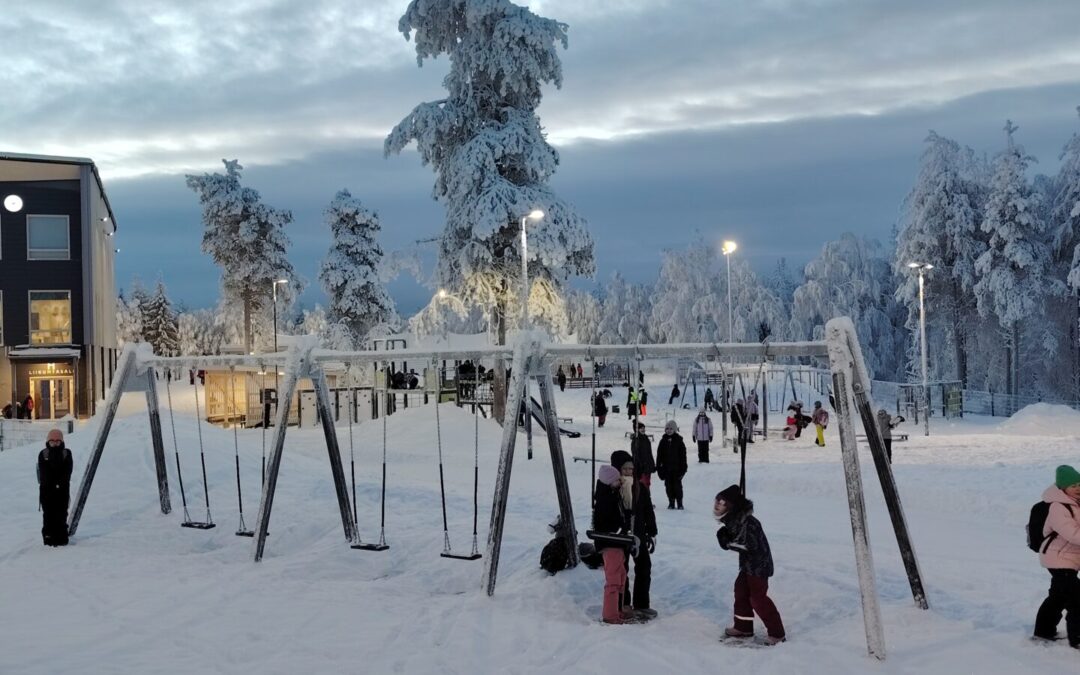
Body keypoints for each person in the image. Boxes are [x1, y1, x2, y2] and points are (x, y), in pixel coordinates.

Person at [714, 485, 786, 645]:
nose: (717, 506)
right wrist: (726, 537)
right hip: (748, 566)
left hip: (759, 566)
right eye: (716, 502)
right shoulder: (734, 520)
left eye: (721, 503)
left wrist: (727, 543)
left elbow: (749, 546)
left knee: (757, 598)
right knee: (740, 591)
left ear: (731, 506)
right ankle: (743, 627)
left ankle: (777, 633)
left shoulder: (748, 523)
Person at [1033, 465, 1080, 648]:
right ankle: (1077, 638)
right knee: (1077, 597)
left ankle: (1043, 631)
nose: (1077, 487)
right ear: (1062, 487)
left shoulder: (1077, 503)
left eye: (1079, 483)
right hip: (1057, 558)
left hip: (1071, 558)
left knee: (1058, 596)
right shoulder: (1057, 507)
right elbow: (1072, 534)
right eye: (1072, 485)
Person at [592, 455, 633, 624]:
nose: (620, 482)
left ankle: (617, 609)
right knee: (614, 580)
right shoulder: (605, 500)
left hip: (618, 542)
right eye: (617, 480)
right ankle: (610, 615)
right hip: (611, 543)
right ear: (610, 482)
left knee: (621, 576)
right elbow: (607, 523)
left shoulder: (612, 495)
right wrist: (621, 528)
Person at [618, 449, 658, 619]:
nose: (629, 472)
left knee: (644, 566)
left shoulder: (640, 486)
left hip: (639, 533)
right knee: (622, 568)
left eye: (631, 469)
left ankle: (641, 603)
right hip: (620, 534)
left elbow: (648, 510)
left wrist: (652, 531)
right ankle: (623, 603)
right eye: (625, 469)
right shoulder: (615, 486)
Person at [37, 428, 74, 547]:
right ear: (48, 441)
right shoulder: (43, 454)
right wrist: (53, 485)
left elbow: (67, 473)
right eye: (52, 440)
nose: (55, 443)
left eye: (58, 440)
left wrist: (58, 484)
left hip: (62, 491)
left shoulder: (66, 453)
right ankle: (48, 537)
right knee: (48, 515)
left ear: (62, 441)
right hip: (46, 491)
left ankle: (62, 537)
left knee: (61, 514)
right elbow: (45, 474)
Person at [656, 420, 687, 509]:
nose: (669, 430)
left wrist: (683, 469)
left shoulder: (679, 441)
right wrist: (659, 468)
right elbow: (659, 456)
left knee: (677, 486)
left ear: (674, 430)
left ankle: (679, 502)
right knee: (668, 486)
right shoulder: (663, 441)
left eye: (671, 429)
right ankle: (671, 501)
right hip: (666, 469)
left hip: (677, 469)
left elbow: (683, 456)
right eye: (667, 429)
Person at [630, 421, 656, 486]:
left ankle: (647, 494)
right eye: (641, 428)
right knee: (643, 484)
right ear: (637, 430)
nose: (643, 429)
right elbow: (635, 454)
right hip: (641, 468)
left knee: (647, 483)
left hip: (648, 466)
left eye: (644, 428)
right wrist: (640, 465)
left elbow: (649, 453)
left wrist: (652, 464)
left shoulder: (646, 438)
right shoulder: (636, 440)